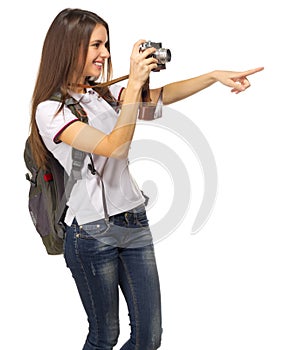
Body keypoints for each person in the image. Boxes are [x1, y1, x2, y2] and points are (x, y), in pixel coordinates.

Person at [29, 7, 263, 350]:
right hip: (92, 232)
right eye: (96, 45)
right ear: (69, 47)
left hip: (133, 219)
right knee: (104, 336)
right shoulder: (51, 111)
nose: (105, 54)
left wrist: (213, 76)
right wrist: (135, 81)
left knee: (149, 338)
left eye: (106, 44)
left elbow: (159, 98)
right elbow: (115, 147)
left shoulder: (100, 95)